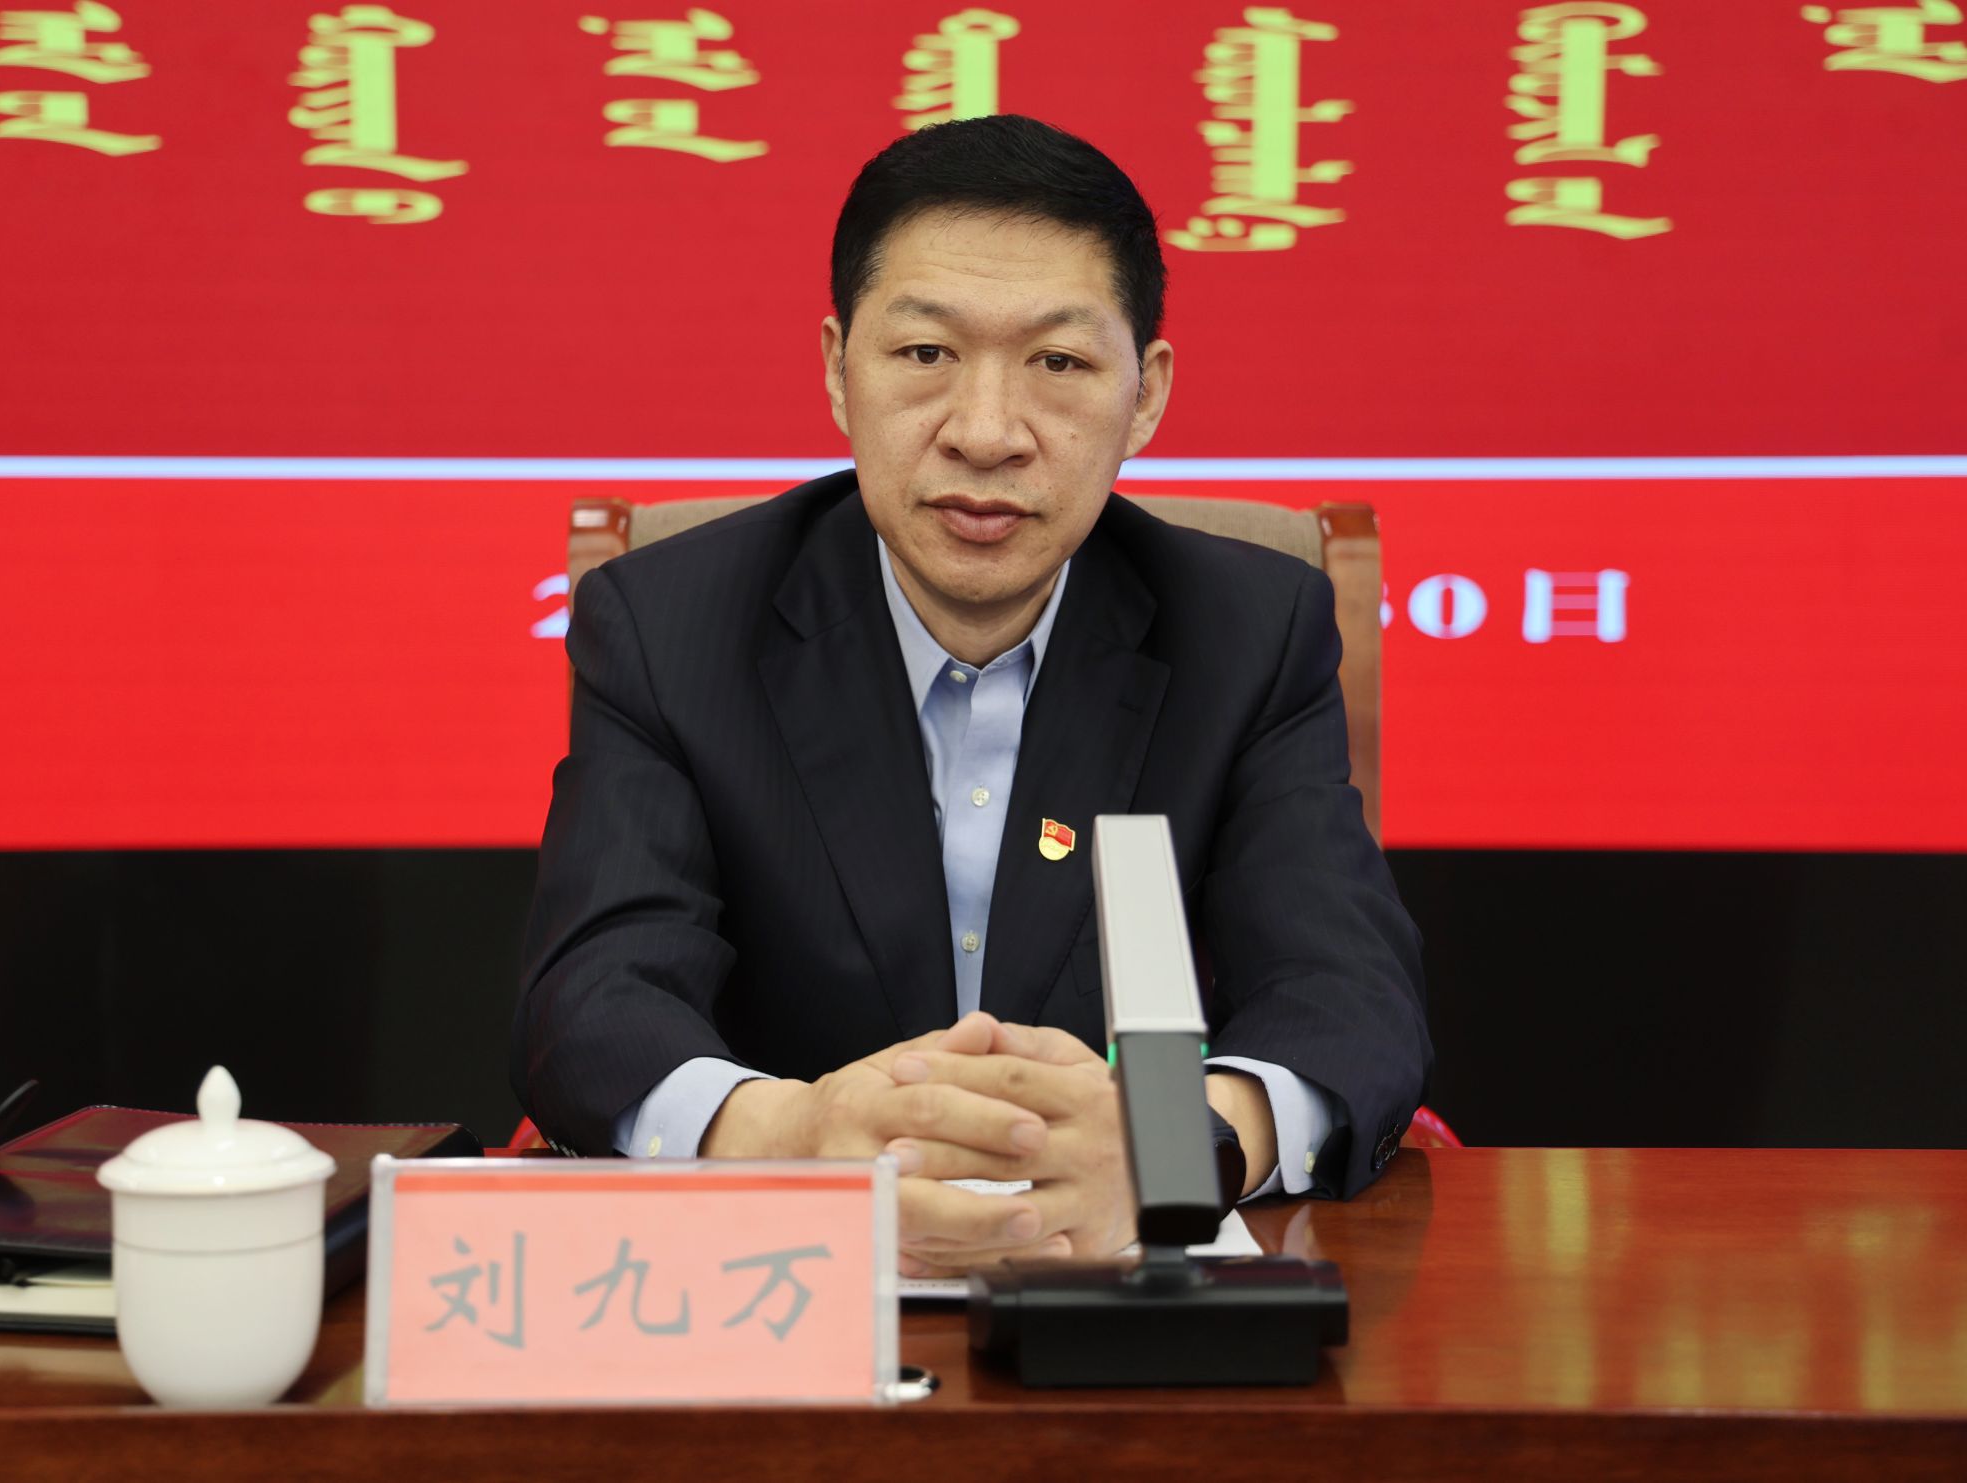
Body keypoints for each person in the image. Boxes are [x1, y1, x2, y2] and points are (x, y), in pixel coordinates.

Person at [512, 115, 1428, 1278]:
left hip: (1117, 1296)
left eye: (1058, 363)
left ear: (1144, 394)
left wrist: (1168, 1149)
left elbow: (1346, 997)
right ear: (837, 368)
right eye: (923, 353)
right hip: (781, 1288)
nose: (986, 433)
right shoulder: (670, 625)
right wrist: (790, 1134)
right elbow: (593, 996)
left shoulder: (1246, 632)